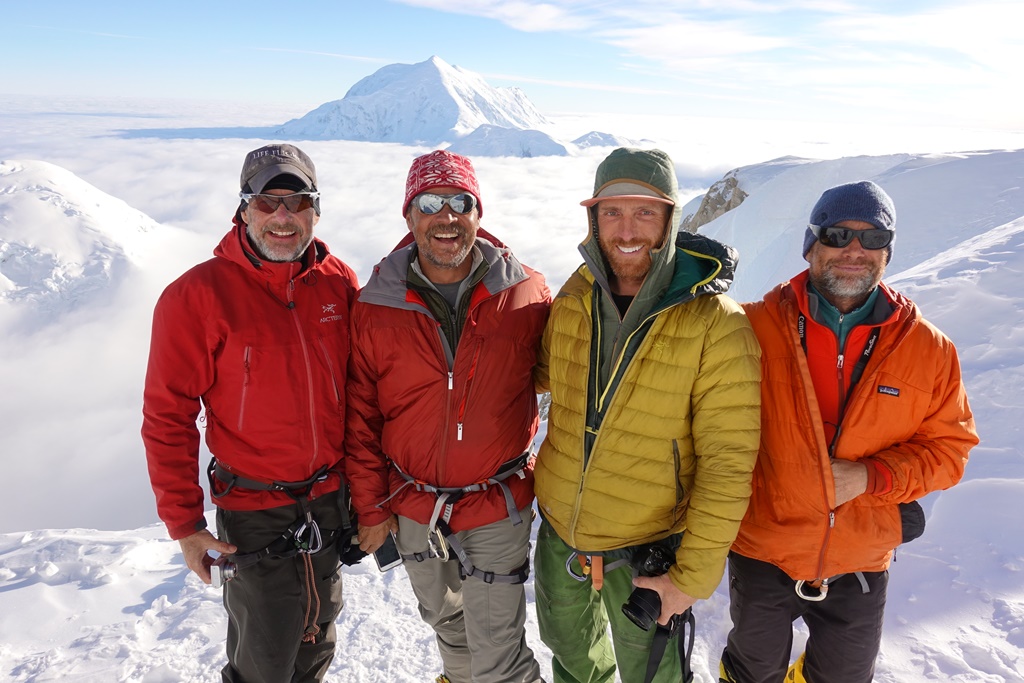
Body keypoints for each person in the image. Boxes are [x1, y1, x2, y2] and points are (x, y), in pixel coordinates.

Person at [719, 180, 979, 683]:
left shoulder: (930, 349)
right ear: (812, 244)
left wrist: (872, 477)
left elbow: (951, 449)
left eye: (873, 237)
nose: (854, 251)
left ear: (888, 249)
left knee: (843, 676)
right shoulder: (750, 327)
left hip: (861, 553)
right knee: (752, 670)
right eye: (838, 235)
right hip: (762, 545)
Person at [533, 147, 762, 683]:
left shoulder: (716, 322)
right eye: (612, 212)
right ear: (593, 219)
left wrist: (691, 577)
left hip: (649, 553)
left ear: (670, 220)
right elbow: (536, 377)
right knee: (571, 661)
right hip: (561, 536)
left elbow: (729, 462)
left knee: (652, 675)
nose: (627, 228)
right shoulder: (575, 295)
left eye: (644, 211)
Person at [141, 143, 359, 683]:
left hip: (330, 503)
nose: (283, 217)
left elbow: (363, 396)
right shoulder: (197, 296)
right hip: (253, 511)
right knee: (263, 659)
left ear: (315, 209)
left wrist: (370, 497)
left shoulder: (339, 283)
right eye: (267, 202)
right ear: (243, 209)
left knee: (317, 638)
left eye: (298, 200)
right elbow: (167, 416)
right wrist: (185, 524)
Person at [345, 150, 550, 683]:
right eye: (430, 202)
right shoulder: (376, 304)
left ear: (478, 213)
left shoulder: (526, 292)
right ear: (410, 216)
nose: (447, 215)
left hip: (496, 498)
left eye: (460, 202)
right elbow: (362, 416)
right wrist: (370, 506)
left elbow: (564, 380)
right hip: (413, 503)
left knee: (499, 651)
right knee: (447, 624)